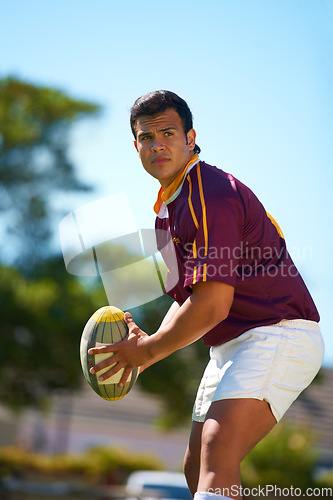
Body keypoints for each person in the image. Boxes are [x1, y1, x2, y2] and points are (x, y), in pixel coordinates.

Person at [88, 90, 324, 500]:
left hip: (277, 334)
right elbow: (186, 299)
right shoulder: (166, 208)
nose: (157, 144)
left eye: (168, 133)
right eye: (146, 137)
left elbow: (213, 304)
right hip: (235, 344)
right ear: (136, 146)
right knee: (196, 467)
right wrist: (149, 345)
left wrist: (149, 353)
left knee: (218, 451)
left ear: (190, 137)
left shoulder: (209, 193)